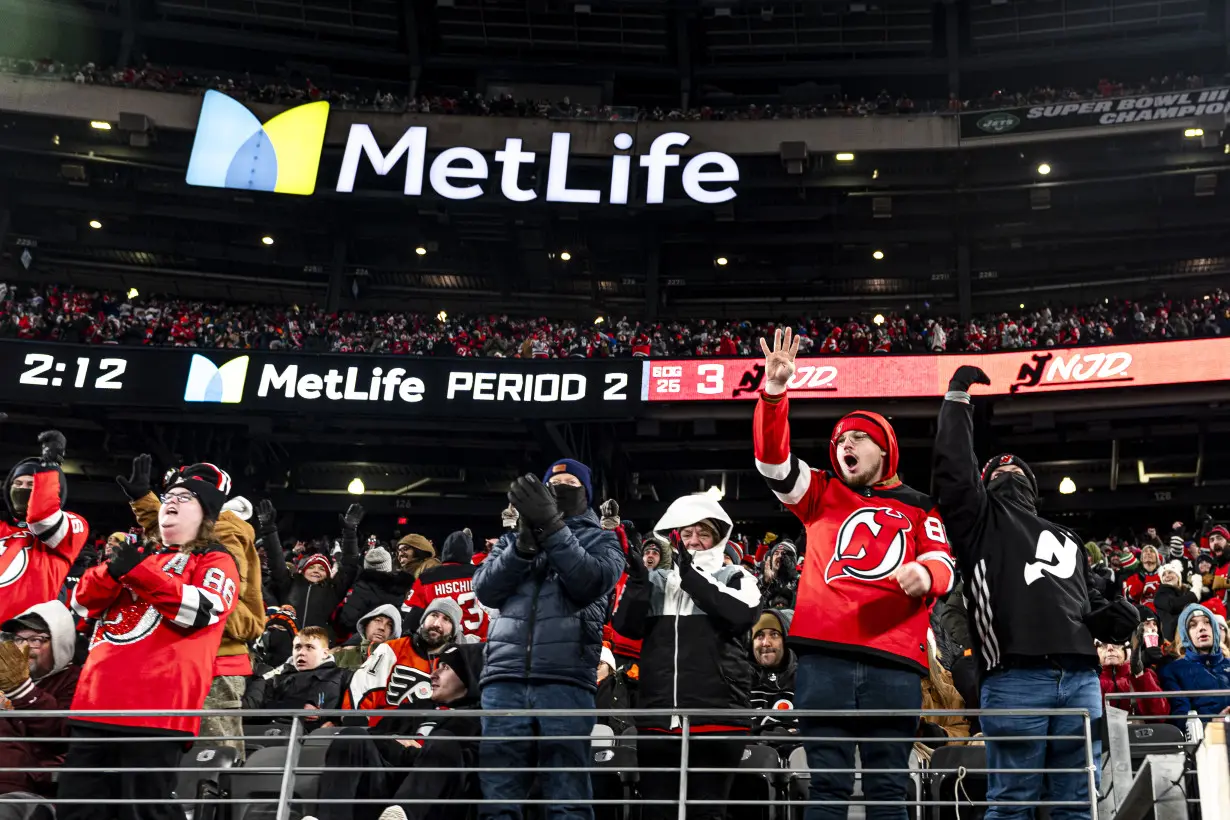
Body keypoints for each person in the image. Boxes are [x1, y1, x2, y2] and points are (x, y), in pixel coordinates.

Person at [754, 329, 956, 820]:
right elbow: (772, 461)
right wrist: (775, 394)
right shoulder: (819, 492)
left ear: (884, 448)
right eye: (839, 439)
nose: (845, 444)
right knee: (827, 789)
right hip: (824, 663)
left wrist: (926, 576)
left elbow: (945, 562)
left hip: (894, 662)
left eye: (857, 437)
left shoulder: (919, 506)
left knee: (890, 789)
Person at [933, 366, 1139, 820]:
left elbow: (1086, 606)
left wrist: (1116, 616)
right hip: (1014, 675)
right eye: (996, 468)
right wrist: (957, 400)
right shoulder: (979, 521)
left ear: (1032, 487)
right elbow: (953, 473)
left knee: (1075, 803)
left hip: (1081, 676)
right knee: (1013, 804)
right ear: (983, 485)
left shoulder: (1066, 536)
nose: (1007, 468)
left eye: (1017, 468)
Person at [61, 463, 241, 820]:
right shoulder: (136, 556)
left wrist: (138, 573)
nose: (170, 503)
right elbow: (80, 604)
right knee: (75, 809)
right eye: (167, 497)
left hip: (156, 711)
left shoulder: (216, 559)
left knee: (144, 811)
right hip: (95, 704)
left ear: (205, 512)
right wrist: (112, 572)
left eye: (184, 498)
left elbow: (203, 611)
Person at [474, 459, 624, 820]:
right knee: (498, 798)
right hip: (505, 678)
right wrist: (523, 546)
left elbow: (589, 582)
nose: (561, 486)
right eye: (553, 483)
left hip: (567, 678)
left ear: (586, 494)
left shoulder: (603, 540)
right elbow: (486, 590)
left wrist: (554, 529)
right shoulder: (511, 540)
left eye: (571, 482)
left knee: (567, 797)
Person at [612, 494, 760, 820]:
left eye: (703, 533)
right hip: (658, 722)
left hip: (718, 722)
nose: (694, 541)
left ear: (720, 537)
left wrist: (691, 576)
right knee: (657, 813)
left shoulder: (737, 577)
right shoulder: (656, 582)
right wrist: (638, 583)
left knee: (706, 813)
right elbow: (625, 627)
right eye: (687, 533)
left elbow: (741, 616)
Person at [117, 454, 266, 759]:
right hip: (192, 657)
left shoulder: (227, 528)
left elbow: (218, 591)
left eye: (188, 495)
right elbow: (174, 536)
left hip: (217, 662)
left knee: (213, 762)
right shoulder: (206, 525)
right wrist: (144, 501)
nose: (177, 503)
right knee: (182, 762)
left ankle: (218, 808)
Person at [318, 642, 485, 820]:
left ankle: (402, 814)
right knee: (351, 736)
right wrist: (400, 744)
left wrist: (412, 748)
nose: (432, 675)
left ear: (467, 675)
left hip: (435, 805)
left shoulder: (478, 721)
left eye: (445, 668)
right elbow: (374, 735)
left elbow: (466, 772)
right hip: (386, 790)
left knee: (444, 743)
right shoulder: (414, 708)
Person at [1, 430, 89, 623]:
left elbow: (42, 520)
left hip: (23, 640)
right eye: (17, 483)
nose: (23, 488)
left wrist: (50, 470)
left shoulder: (75, 524)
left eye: (32, 484)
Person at [0, 601, 80, 802]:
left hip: (30, 794)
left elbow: (63, 735)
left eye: (36, 640)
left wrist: (21, 690)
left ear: (61, 643)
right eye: (19, 639)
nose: (25, 648)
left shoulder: (79, 681)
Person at [344, 597, 460, 722]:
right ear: (423, 620)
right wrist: (356, 724)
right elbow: (362, 687)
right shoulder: (392, 649)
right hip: (380, 732)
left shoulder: (457, 663)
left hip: (427, 736)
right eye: (433, 615)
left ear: (453, 631)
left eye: (446, 620)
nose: (437, 624)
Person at [262, 500, 363, 640]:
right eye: (312, 567)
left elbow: (349, 564)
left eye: (322, 569)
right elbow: (276, 560)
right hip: (285, 646)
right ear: (302, 571)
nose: (316, 570)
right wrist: (269, 529)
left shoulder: (333, 590)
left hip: (318, 649)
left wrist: (350, 531)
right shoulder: (289, 584)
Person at [243, 626, 349, 722]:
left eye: (309, 647)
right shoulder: (276, 677)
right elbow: (257, 708)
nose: (301, 653)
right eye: (297, 647)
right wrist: (297, 706)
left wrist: (336, 722)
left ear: (325, 653)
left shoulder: (342, 675)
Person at [402, 529, 487, 640]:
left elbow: (409, 616)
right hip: (482, 645)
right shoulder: (482, 575)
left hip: (441, 646)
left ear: (445, 551)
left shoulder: (427, 577)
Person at [1159, 603, 1230, 717]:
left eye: (1207, 622)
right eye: (1193, 625)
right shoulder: (1172, 671)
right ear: (1185, 635)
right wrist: (1213, 724)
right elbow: (1181, 718)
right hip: (1206, 733)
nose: (1202, 628)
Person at [335, 545, 413, 640]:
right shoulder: (403, 589)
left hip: (360, 641)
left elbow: (347, 620)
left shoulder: (362, 587)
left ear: (366, 566)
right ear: (388, 566)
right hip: (390, 642)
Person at [748, 608, 798, 735]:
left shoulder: (804, 678)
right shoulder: (739, 679)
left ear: (785, 640)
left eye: (774, 634)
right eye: (759, 636)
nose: (766, 643)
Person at [1097, 641, 1168, 718]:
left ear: (1127, 649)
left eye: (1116, 644)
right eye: (1103, 645)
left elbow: (1161, 715)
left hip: (1138, 729)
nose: (1109, 648)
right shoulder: (1090, 679)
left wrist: (1140, 675)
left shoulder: (1145, 674)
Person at [334, 604, 402, 670]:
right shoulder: (341, 656)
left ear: (393, 635)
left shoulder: (394, 667)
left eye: (389, 625)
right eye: (378, 620)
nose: (382, 627)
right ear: (366, 625)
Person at [1153, 560, 1199, 640]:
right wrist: (1194, 594)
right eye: (1163, 575)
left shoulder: (1185, 592)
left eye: (1170, 572)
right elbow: (1173, 605)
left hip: (1191, 635)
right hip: (1172, 640)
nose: (1167, 576)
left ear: (1178, 576)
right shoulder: (1160, 595)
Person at [1122, 545, 1162, 611]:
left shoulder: (1164, 576)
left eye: (1152, 551)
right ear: (1141, 558)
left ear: (1157, 558)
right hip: (1140, 613)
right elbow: (1128, 598)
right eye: (1145, 551)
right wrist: (1140, 580)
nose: (1148, 553)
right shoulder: (1132, 577)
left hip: (1161, 613)